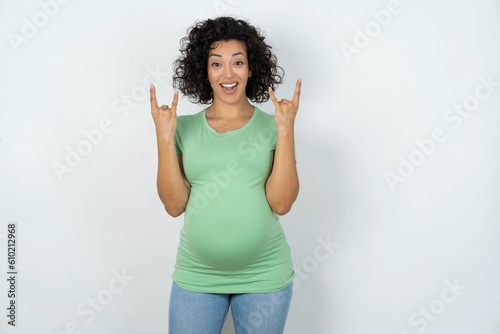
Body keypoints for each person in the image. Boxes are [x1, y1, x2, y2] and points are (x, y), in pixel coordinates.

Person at [150, 16, 301, 334]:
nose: (228, 74)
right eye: (216, 63)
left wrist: (285, 130)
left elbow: (282, 203)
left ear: (251, 69)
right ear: (204, 71)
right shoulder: (185, 129)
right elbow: (175, 205)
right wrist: (164, 138)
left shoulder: (273, 127)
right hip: (197, 274)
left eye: (238, 62)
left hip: (265, 275)